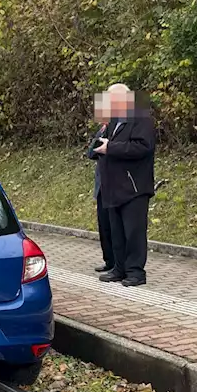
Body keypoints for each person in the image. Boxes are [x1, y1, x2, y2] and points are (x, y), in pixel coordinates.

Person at [93, 83, 156, 287]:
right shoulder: (113, 121)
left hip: (133, 186)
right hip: (113, 186)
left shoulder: (141, 119)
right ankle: (118, 268)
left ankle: (135, 272)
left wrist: (110, 147)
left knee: (133, 232)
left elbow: (142, 147)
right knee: (117, 231)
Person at [86, 94, 115, 273]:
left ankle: (119, 261)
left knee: (114, 226)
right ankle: (109, 260)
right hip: (101, 186)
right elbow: (90, 153)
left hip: (114, 184)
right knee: (103, 226)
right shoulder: (102, 130)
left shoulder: (117, 129)